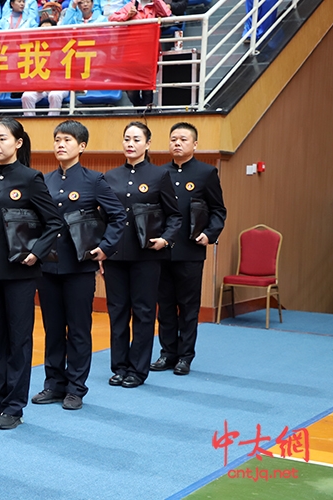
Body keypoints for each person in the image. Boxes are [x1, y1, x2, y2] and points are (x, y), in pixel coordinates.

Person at [0, 118, 62, 430]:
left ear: (18, 143)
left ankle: (14, 407)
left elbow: (55, 222)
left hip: (20, 271)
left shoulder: (30, 178)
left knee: (19, 340)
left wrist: (36, 252)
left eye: (3, 139)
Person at [32, 120, 126, 410]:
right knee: (53, 328)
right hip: (48, 267)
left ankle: (76, 387)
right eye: (57, 139)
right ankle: (53, 384)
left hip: (79, 268)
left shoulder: (94, 180)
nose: (61, 144)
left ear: (81, 146)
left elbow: (118, 216)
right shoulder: (43, 180)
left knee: (79, 329)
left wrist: (105, 247)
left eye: (68, 140)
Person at [103, 121, 181, 388]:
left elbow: (175, 216)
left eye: (136, 139)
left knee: (144, 312)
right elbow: (102, 217)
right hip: (114, 257)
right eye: (126, 139)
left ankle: (138, 370)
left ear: (147, 144)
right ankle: (119, 366)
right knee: (117, 312)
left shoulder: (160, 176)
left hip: (147, 256)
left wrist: (165, 240)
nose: (130, 144)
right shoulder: (109, 177)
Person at [151, 123, 226, 376]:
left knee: (188, 305)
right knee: (166, 305)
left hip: (191, 250)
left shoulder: (206, 173)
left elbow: (218, 210)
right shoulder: (159, 173)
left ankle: (185, 356)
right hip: (162, 250)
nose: (177, 143)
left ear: (195, 144)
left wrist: (210, 234)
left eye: (183, 139)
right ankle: (167, 353)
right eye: (173, 139)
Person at [109, 0, 171, 107]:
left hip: (149, 52)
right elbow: (112, 17)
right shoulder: (131, 5)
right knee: (131, 90)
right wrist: (127, 16)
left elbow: (166, 13)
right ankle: (139, 108)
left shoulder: (155, 6)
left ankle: (145, 115)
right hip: (131, 52)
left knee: (147, 88)